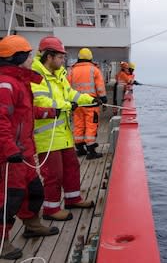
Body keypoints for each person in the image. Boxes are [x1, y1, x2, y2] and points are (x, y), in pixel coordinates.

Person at [0, 35, 59, 260]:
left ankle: (32, 225)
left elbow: (24, 113)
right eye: (28, 55)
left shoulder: (19, 81)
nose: (32, 59)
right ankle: (2, 242)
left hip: (23, 151)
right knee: (9, 198)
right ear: (18, 57)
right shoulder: (6, 83)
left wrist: (50, 112)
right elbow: (1, 119)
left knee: (34, 191)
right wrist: (9, 150)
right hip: (10, 155)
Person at [31, 36, 97, 221]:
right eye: (60, 57)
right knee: (54, 174)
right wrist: (67, 105)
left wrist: (89, 100)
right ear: (49, 56)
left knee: (71, 166)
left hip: (63, 133)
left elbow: (71, 93)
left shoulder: (58, 74)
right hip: (47, 134)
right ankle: (51, 210)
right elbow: (40, 101)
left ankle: (72, 198)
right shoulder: (36, 75)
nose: (63, 61)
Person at [67, 48, 107, 159]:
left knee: (78, 125)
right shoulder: (94, 70)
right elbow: (100, 86)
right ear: (90, 58)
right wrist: (103, 98)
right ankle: (91, 151)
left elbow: (67, 87)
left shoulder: (71, 70)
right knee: (91, 126)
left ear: (79, 58)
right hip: (91, 103)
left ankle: (80, 149)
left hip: (77, 104)